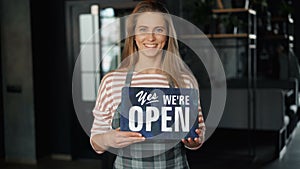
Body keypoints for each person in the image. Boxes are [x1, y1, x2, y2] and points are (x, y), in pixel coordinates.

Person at [90, 1, 205, 168]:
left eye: (159, 30)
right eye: (143, 29)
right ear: (133, 35)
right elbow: (96, 141)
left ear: (167, 36)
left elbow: (197, 136)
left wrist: (195, 141)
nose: (150, 38)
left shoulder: (185, 80)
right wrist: (109, 139)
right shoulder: (112, 82)